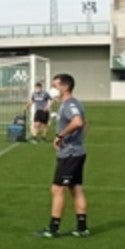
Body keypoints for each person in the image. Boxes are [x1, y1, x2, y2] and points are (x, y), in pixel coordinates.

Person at [36, 74, 89, 238]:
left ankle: (53, 228)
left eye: (55, 85)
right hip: (76, 152)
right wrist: (77, 140)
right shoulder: (72, 103)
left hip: (70, 154)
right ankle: (82, 228)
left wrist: (61, 136)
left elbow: (79, 122)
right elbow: (86, 125)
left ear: (65, 87)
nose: (53, 89)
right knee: (76, 188)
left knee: (57, 189)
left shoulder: (69, 104)